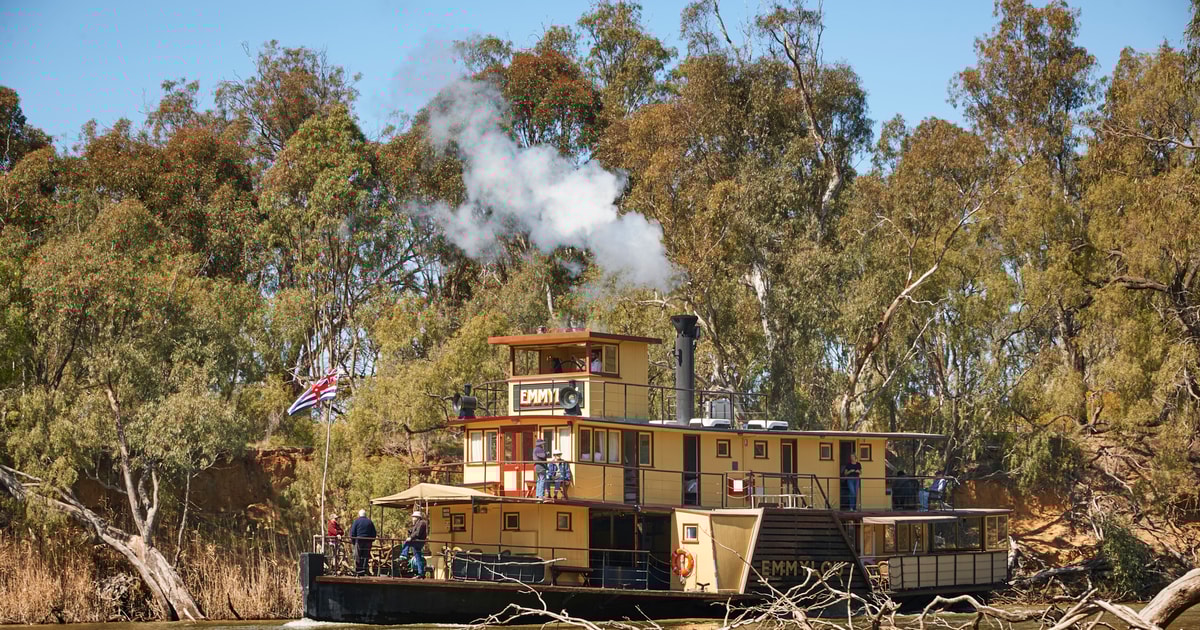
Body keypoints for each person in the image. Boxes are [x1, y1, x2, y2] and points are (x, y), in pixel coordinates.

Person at [397, 510, 429, 578]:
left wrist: (411, 537)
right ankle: (421, 573)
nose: (412, 519)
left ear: (417, 517)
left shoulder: (422, 523)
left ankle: (404, 555)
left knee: (407, 542)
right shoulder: (417, 524)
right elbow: (415, 532)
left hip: (418, 541)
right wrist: (410, 532)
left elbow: (417, 533)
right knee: (418, 557)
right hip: (417, 541)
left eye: (413, 517)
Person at [348, 509, 377, 576]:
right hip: (368, 541)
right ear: (365, 514)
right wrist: (371, 540)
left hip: (359, 540)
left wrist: (353, 541)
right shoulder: (370, 522)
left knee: (358, 555)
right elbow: (374, 533)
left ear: (359, 514)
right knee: (365, 556)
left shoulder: (356, 521)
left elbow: (352, 532)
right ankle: (364, 570)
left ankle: (358, 570)